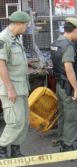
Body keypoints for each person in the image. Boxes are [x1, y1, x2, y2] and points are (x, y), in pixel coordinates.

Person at [0, 11, 31, 158]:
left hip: (21, 87)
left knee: (24, 121)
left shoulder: (16, 38)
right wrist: (10, 88)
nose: (27, 28)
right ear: (19, 24)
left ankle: (15, 150)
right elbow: (1, 66)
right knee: (15, 121)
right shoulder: (3, 39)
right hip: (11, 89)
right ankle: (2, 147)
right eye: (26, 25)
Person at [50, 17, 77, 152]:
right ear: (74, 30)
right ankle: (68, 146)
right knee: (71, 116)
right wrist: (76, 89)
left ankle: (63, 140)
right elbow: (69, 69)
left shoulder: (56, 43)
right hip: (68, 86)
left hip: (59, 84)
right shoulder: (68, 46)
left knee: (63, 114)